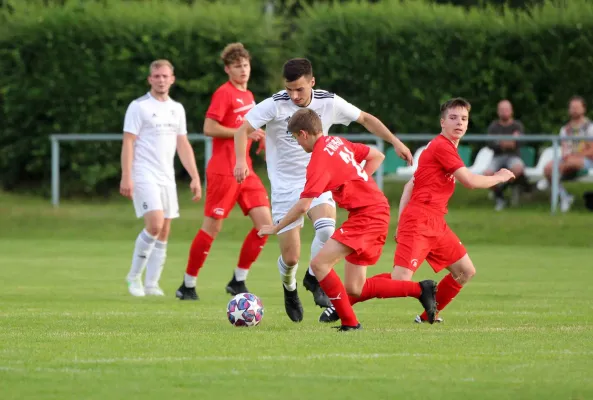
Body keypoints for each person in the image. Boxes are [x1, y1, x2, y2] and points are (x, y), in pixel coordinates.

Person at [234, 58, 413, 322]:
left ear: (312, 82)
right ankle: (290, 286)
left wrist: (395, 142)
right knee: (291, 257)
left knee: (328, 229)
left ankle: (313, 277)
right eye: (289, 89)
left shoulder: (328, 102)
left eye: (300, 90)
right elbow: (242, 130)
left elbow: (364, 118)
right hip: (285, 185)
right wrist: (240, 161)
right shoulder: (274, 103)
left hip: (320, 178)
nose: (293, 96)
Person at [319, 98, 515, 324]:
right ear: (442, 122)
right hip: (421, 220)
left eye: (463, 119)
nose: (459, 123)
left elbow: (409, 186)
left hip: (435, 222)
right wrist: (499, 177)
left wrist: (402, 222)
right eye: (453, 118)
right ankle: (343, 301)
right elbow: (469, 181)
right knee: (400, 280)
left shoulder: (445, 148)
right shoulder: (442, 146)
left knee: (465, 271)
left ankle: (427, 317)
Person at [258, 108, 437, 331]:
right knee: (355, 288)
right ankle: (421, 290)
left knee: (319, 264)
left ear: (304, 133)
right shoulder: (336, 142)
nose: (298, 145)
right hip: (374, 210)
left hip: (368, 215)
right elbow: (376, 156)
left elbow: (304, 205)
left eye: (296, 139)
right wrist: (355, 183)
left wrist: (277, 227)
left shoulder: (318, 160)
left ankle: (350, 323)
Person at [175, 43, 272, 300]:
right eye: (237, 66)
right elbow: (209, 127)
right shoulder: (224, 93)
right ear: (228, 69)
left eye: (246, 65)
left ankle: (238, 281)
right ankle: (187, 285)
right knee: (212, 227)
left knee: (265, 225)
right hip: (224, 170)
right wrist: (245, 132)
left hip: (246, 171)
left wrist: (258, 136)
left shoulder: (249, 95)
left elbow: (247, 128)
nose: (243, 70)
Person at [120, 59, 202, 297]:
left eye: (165, 76)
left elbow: (182, 143)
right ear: (150, 79)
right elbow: (128, 141)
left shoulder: (177, 108)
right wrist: (127, 176)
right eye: (157, 76)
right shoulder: (139, 106)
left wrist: (195, 176)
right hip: (144, 173)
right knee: (154, 224)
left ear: (172, 79)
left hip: (167, 177)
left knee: (164, 231)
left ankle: (152, 283)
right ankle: (133, 277)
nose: (161, 80)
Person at [539, 96, 593, 212]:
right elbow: (564, 149)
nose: (574, 110)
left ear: (583, 109)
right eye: (572, 107)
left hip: (586, 160)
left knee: (556, 169)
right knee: (547, 167)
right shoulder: (565, 129)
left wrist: (576, 156)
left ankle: (550, 179)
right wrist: (567, 156)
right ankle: (565, 196)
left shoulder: (590, 127)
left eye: (577, 107)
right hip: (567, 160)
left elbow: (592, 150)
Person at [485, 99, 528, 211]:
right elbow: (490, 144)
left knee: (518, 169)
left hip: (514, 156)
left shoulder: (517, 125)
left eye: (506, 109)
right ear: (498, 112)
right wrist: (509, 142)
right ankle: (500, 198)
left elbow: (520, 142)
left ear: (511, 111)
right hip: (497, 157)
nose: (504, 112)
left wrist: (501, 142)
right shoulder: (493, 127)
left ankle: (499, 190)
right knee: (487, 175)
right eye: (502, 110)